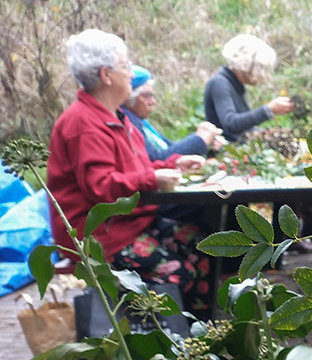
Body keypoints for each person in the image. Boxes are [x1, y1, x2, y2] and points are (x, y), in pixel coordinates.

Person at [47, 29, 211, 314]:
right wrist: (152, 178)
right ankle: (158, 343)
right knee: (178, 272)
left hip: (131, 224)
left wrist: (170, 165)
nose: (129, 73)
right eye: (125, 66)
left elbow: (135, 169)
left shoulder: (115, 116)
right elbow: (101, 186)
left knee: (203, 244)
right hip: (100, 238)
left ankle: (199, 338)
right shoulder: (83, 124)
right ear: (106, 75)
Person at [122, 66, 225, 161]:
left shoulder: (141, 122)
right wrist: (200, 140)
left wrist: (205, 142)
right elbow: (155, 160)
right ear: (128, 98)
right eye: (147, 96)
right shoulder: (128, 121)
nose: (153, 102)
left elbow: (170, 147)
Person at [203, 34, 293, 142]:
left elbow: (242, 126)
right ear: (247, 65)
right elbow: (230, 123)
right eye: (260, 68)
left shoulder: (235, 84)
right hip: (225, 153)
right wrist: (268, 109)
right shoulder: (219, 83)